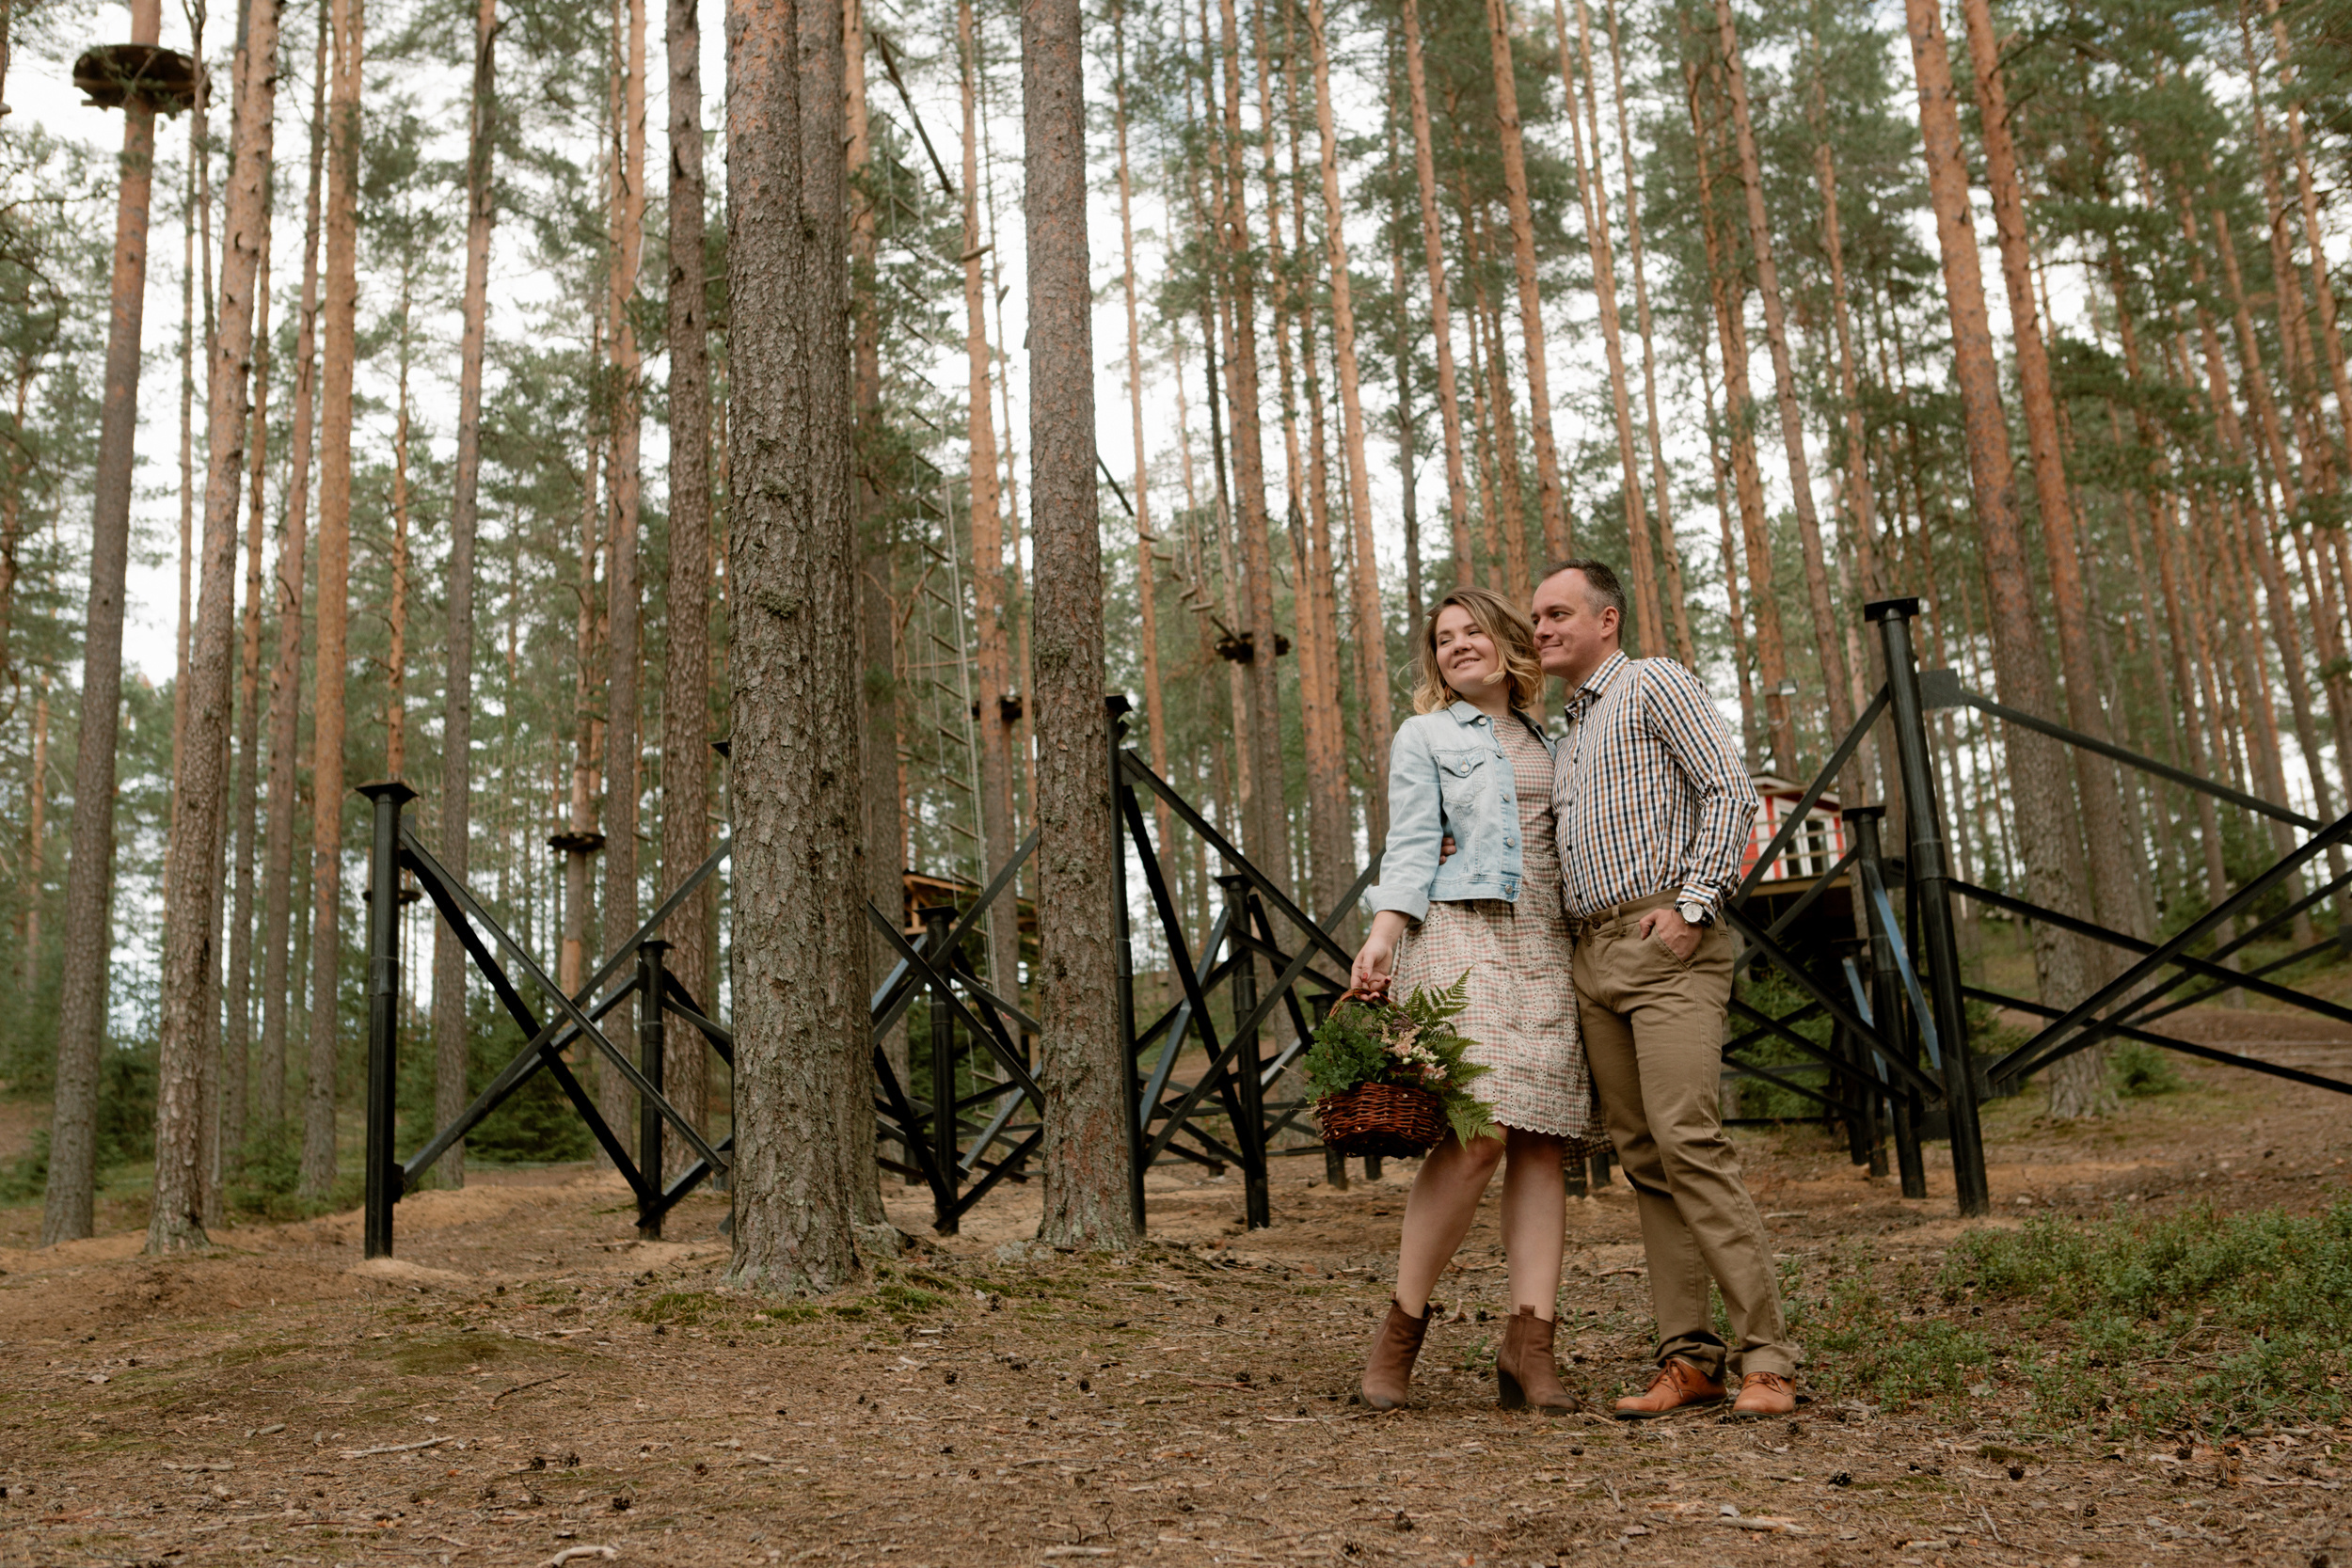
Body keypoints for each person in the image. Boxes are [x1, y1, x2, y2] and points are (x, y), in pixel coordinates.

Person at [1533, 558, 1800, 1419]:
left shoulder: (1652, 683)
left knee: (1689, 1139)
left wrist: (1692, 907)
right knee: (1645, 1159)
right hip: (1593, 955)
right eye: (1536, 618)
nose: (1541, 629)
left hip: (1665, 939)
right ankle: (1690, 1359)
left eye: (1558, 613)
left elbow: (1728, 791)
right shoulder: (1568, 734)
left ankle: (1768, 1359)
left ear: (1607, 619)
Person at [1350, 587, 1596, 1415]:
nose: (1458, 645)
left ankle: (1530, 1346)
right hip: (1460, 933)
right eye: (1443, 638)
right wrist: (1384, 934)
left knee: (1540, 1141)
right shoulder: (1424, 735)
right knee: (1480, 1132)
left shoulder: (1555, 741)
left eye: (1472, 632)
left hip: (1545, 943)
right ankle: (1401, 1328)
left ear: (1506, 643)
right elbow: (1413, 838)